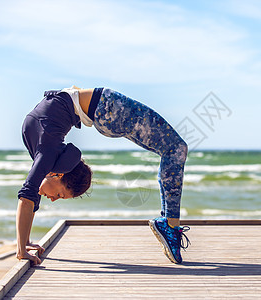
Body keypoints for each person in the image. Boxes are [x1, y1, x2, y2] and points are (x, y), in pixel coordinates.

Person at [16, 86, 190, 265]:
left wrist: (21, 250)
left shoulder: (46, 154)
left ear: (59, 174)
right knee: (173, 149)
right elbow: (31, 196)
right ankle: (169, 224)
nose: (52, 199)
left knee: (175, 149)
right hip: (106, 111)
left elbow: (27, 198)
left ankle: (169, 226)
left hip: (107, 107)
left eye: (59, 195)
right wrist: (25, 242)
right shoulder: (46, 158)